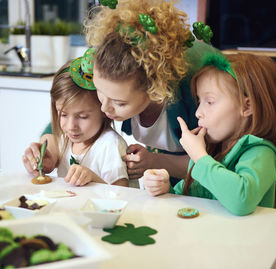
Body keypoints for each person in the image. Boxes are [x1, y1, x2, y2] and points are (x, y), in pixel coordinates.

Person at [82, 0, 219, 185]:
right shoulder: (108, 68)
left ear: (156, 88)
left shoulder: (198, 85)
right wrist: (49, 145)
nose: (104, 107)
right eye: (99, 91)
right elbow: (74, 113)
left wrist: (156, 161)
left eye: (120, 103)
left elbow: (217, 164)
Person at [142, 52, 276, 215]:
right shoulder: (212, 153)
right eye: (199, 101)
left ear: (247, 107)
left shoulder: (261, 153)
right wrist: (166, 188)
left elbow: (241, 200)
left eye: (209, 102)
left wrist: (199, 157)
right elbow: (189, 198)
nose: (198, 113)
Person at [23, 49, 128, 187]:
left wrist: (92, 178)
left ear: (103, 108)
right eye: (63, 114)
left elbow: (122, 194)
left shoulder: (110, 145)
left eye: (83, 116)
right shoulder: (65, 140)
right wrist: (43, 162)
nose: (71, 126)